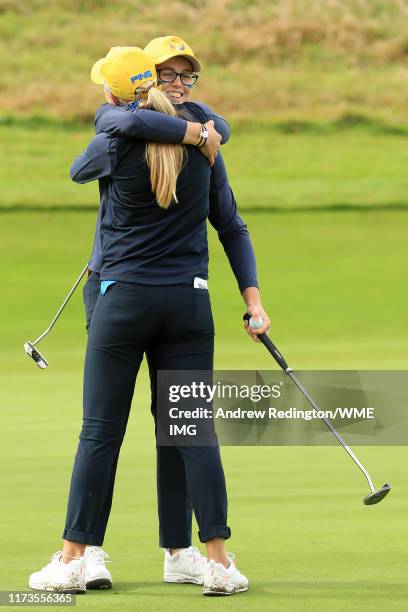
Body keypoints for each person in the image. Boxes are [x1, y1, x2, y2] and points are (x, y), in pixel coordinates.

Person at [29, 46, 270, 597]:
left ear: (116, 95)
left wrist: (116, 120)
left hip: (124, 304)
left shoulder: (114, 140)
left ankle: (74, 558)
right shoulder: (208, 145)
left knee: (100, 433)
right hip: (188, 305)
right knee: (190, 431)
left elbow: (78, 169)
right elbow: (232, 225)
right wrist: (254, 300)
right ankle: (216, 561)